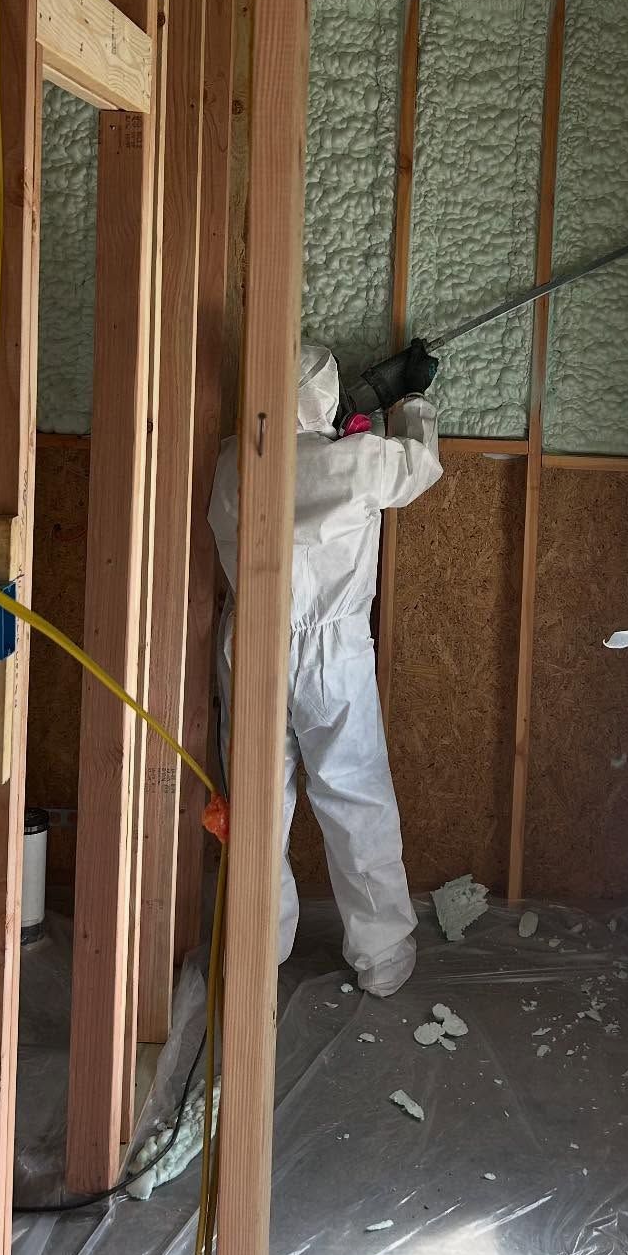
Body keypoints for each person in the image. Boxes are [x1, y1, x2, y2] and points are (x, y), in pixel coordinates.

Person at [209, 340, 441, 996]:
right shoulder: (357, 460)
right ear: (327, 399)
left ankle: (254, 953)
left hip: (249, 644)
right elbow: (417, 466)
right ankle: (384, 959)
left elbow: (294, 457)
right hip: (329, 653)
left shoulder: (230, 465)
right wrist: (413, 400)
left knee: (256, 806)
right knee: (353, 797)